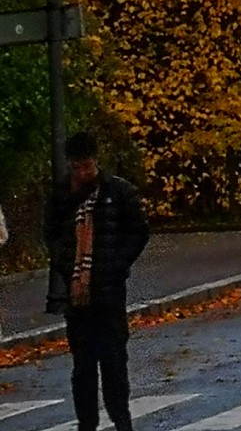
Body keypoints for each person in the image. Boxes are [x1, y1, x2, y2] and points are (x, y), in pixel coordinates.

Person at [44, 132, 149, 431]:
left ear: (96, 162)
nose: (83, 172)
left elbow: (139, 231)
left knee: (114, 362)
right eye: (77, 167)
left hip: (109, 291)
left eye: (87, 166)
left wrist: (117, 264)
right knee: (83, 368)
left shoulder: (118, 192)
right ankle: (86, 423)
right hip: (78, 296)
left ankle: (121, 419)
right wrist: (66, 263)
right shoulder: (62, 196)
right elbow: (51, 234)